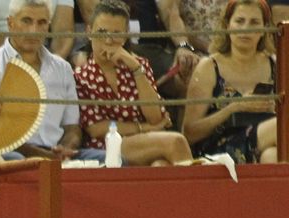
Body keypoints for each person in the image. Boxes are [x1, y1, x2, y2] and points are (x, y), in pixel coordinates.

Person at [74, 0, 193, 165]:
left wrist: (136, 69)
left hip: (143, 142)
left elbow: (155, 116)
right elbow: (97, 129)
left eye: (116, 33)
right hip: (105, 147)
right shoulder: (81, 76)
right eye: (101, 32)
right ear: (89, 32)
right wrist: (146, 129)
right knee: (175, 142)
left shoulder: (139, 65)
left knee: (161, 165)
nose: (108, 41)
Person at [182, 0, 278, 164]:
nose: (246, 29)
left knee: (272, 156)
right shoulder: (209, 67)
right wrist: (234, 108)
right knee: (280, 128)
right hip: (220, 149)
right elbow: (189, 133)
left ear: (264, 29)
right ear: (227, 25)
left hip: (265, 142)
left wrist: (274, 107)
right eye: (240, 21)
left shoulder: (276, 64)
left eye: (254, 22)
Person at [0, 0, 83, 160]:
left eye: (41, 22)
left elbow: (73, 128)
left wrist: (66, 149)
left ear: (48, 26)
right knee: (14, 158)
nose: (33, 30)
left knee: (111, 159)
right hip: (15, 154)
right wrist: (43, 156)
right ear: (10, 23)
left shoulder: (63, 68)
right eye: (26, 21)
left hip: (56, 154)